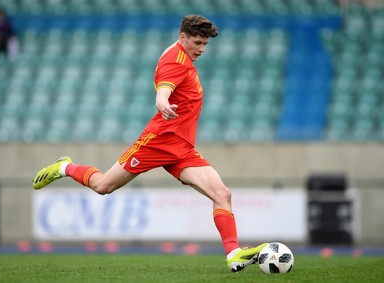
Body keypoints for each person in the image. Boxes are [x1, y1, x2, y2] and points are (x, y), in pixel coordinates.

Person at [32, 14, 267, 272]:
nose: (201, 49)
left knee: (222, 194)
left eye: (205, 45)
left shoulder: (180, 53)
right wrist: (163, 103)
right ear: (183, 38)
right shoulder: (175, 61)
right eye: (197, 43)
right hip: (159, 141)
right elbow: (163, 92)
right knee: (102, 186)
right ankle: (65, 167)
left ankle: (233, 253)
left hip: (182, 149)